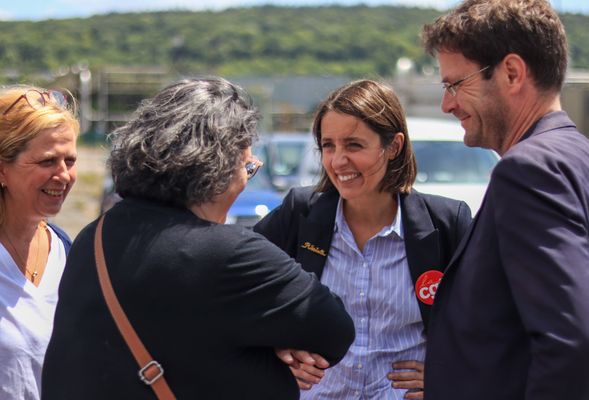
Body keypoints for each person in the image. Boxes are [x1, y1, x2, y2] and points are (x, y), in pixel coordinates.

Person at [41, 77, 355, 399]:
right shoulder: (230, 253)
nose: (245, 181)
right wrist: (275, 346)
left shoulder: (94, 237)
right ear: (219, 167)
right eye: (247, 167)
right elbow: (334, 330)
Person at [420, 0, 589, 398]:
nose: (447, 104)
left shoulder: (528, 171)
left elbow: (573, 343)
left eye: (455, 84)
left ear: (512, 73)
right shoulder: (584, 157)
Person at [254, 79, 472, 399]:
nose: (338, 161)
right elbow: (239, 292)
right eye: (329, 145)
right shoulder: (299, 214)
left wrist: (450, 373)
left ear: (394, 146)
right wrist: (275, 352)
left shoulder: (446, 223)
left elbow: (489, 320)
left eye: (354, 145)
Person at [0, 86, 78, 400]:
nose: (63, 175)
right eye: (47, 162)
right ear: (3, 169)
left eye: (70, 160)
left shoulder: (64, 248)